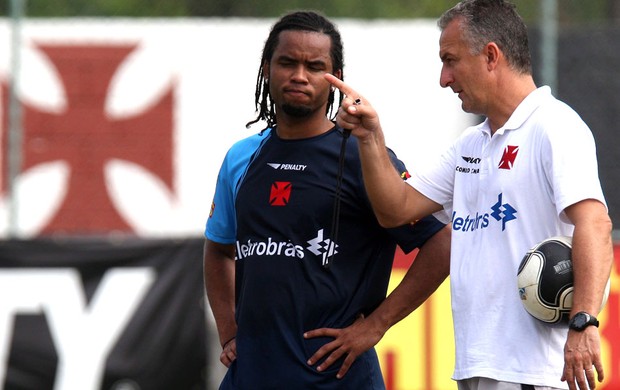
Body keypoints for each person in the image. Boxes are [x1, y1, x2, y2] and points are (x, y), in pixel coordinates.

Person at [305, 1, 614, 390]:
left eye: (450, 61)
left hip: (532, 371)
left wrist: (584, 322)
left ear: (490, 56)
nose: (443, 78)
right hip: (476, 364)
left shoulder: (554, 126)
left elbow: (596, 224)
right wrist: (370, 138)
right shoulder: (471, 143)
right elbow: (395, 209)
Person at [202, 10, 451, 389]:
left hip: (338, 380)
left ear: (335, 79)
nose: (299, 75)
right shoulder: (241, 157)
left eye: (315, 66)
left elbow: (442, 241)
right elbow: (219, 249)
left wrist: (377, 325)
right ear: (267, 69)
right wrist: (228, 330)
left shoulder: (362, 156)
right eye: (287, 62)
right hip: (251, 377)